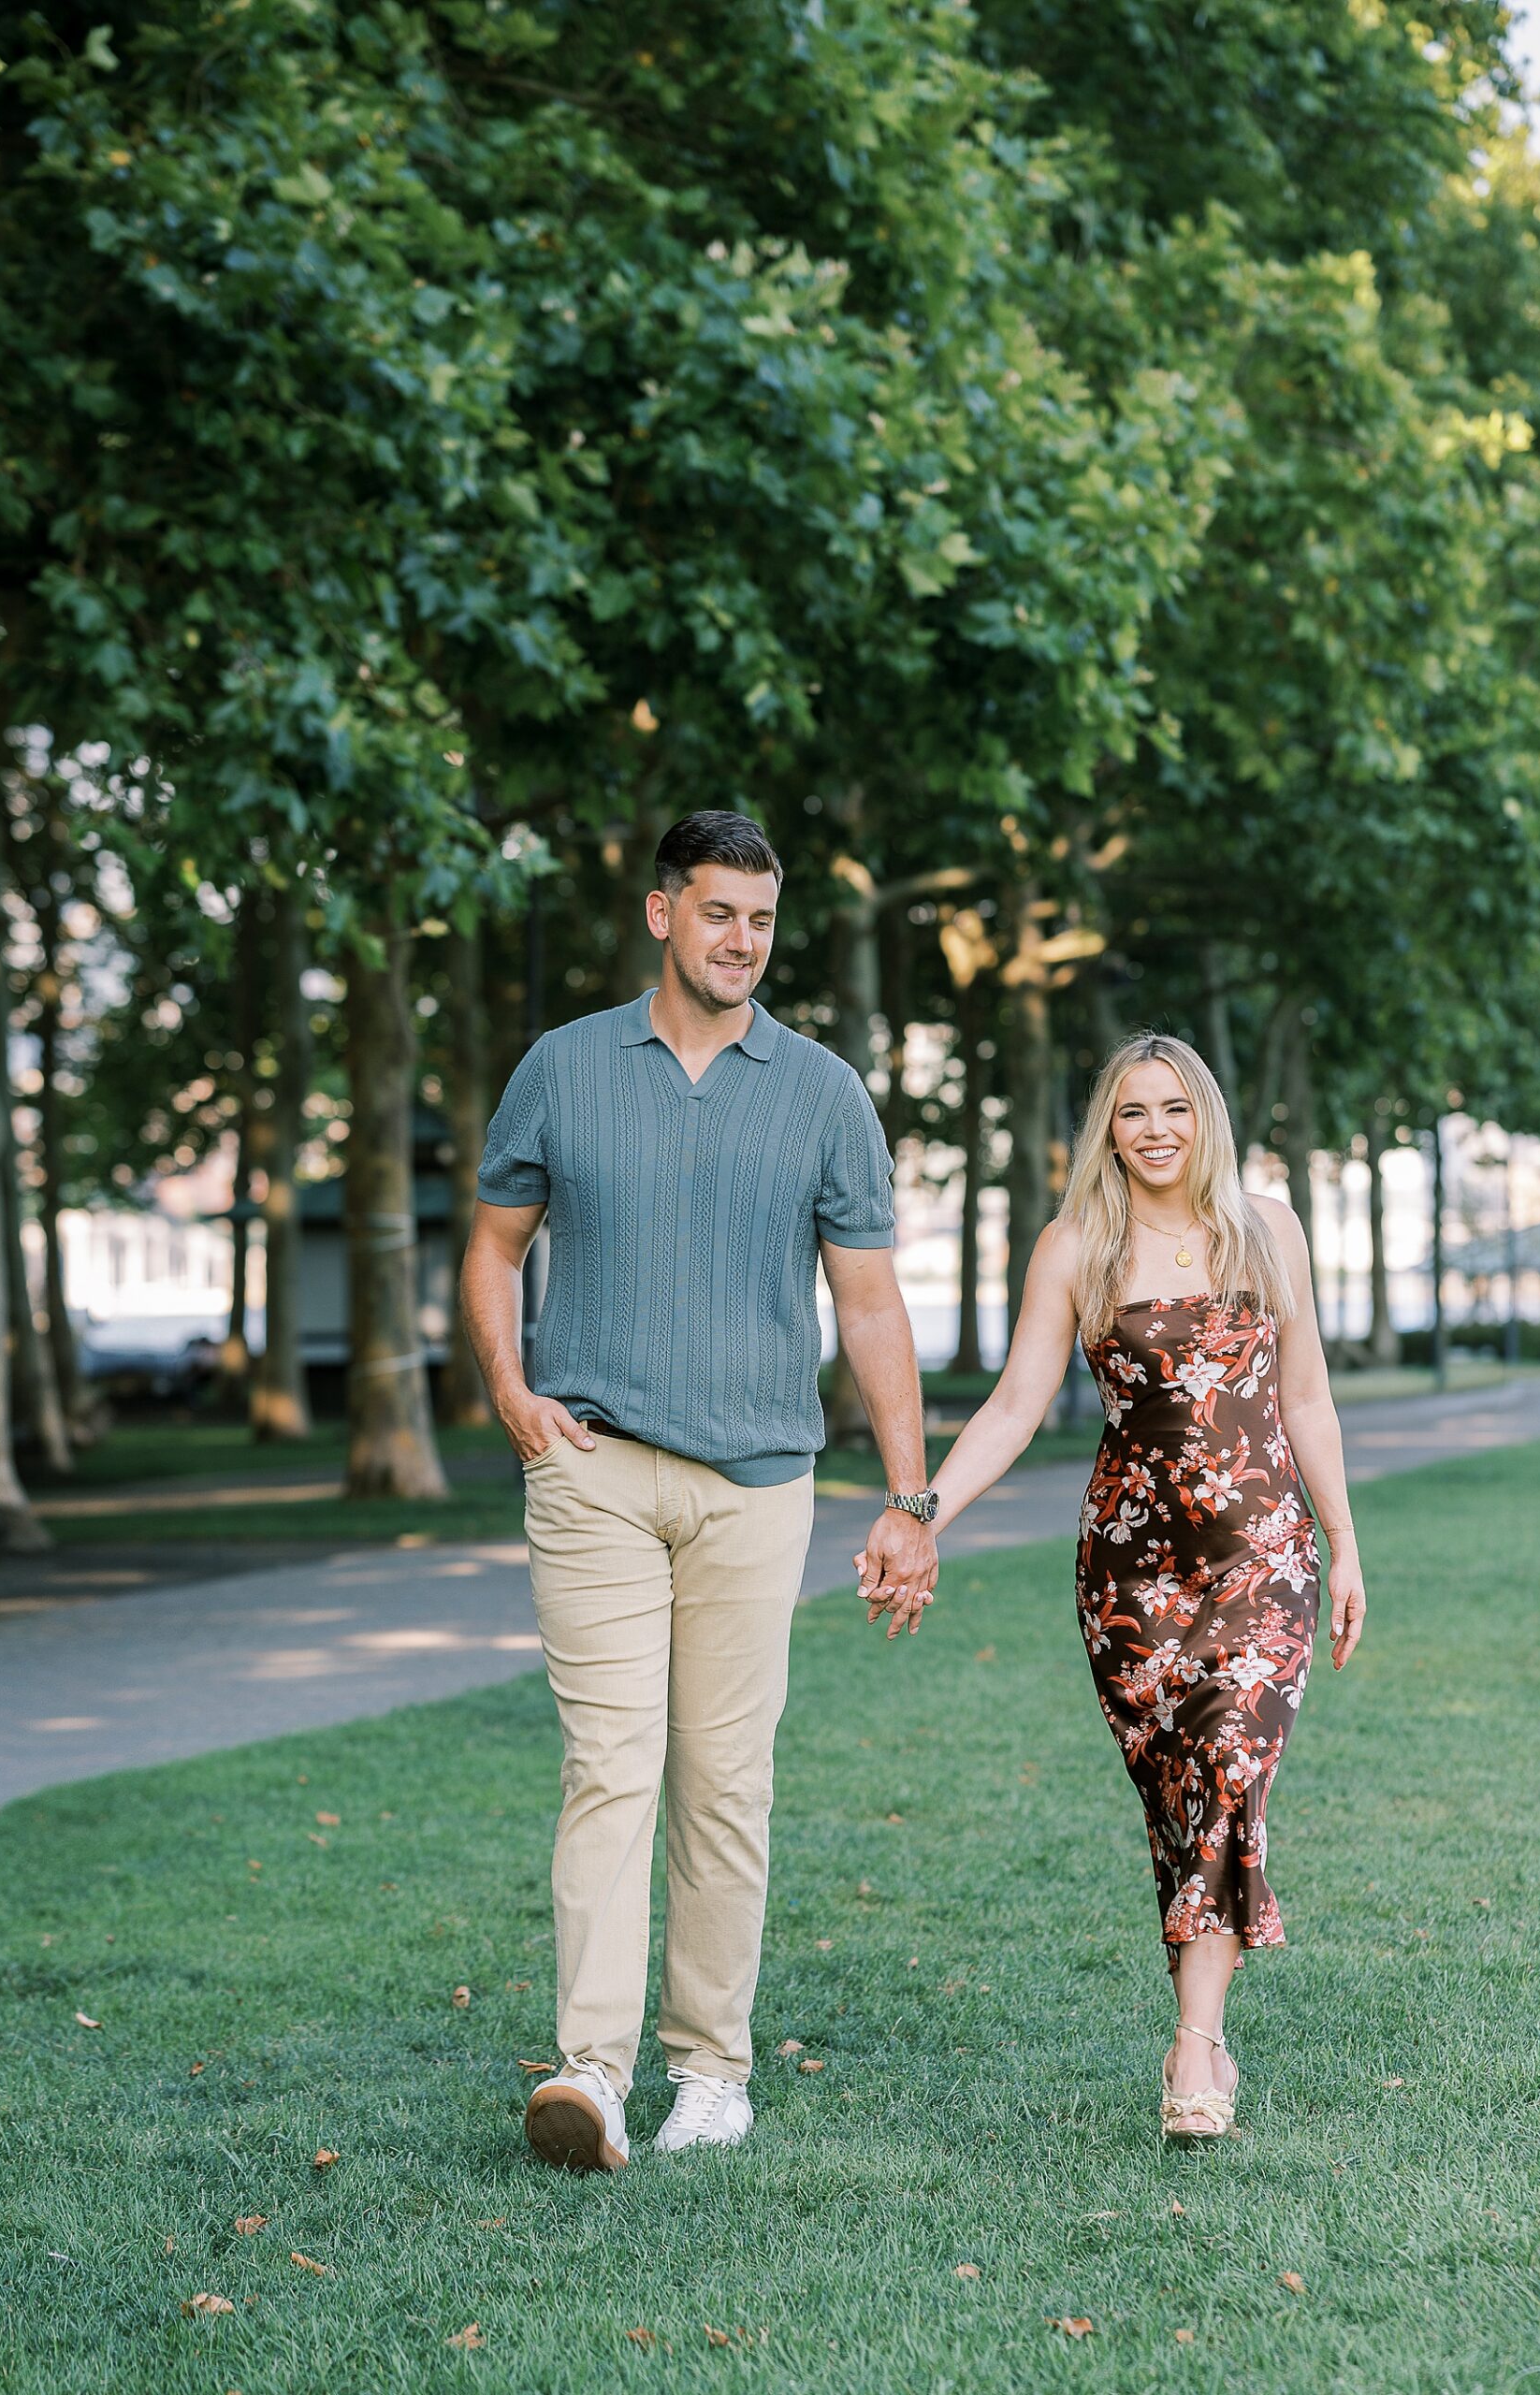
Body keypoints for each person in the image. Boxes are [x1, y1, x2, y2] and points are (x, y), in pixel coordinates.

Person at [461, 809, 940, 2172]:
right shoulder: (559, 1069)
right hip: (594, 1468)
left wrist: (907, 1501)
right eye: (718, 913)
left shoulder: (821, 1092)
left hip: (755, 1484)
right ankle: (591, 2072)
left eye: (761, 921)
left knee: (723, 1781)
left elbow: (868, 1308)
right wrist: (511, 1390)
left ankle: (711, 2073)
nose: (742, 941)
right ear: (663, 913)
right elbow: (493, 1249)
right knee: (608, 1766)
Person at [870, 1032, 1366, 2141]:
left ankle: (1196, 2047)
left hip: (1263, 1556)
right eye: (1133, 1111)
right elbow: (1009, 1407)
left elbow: (1308, 1401)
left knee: (1230, 1765)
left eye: (1175, 1109)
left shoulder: (1268, 1228)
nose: (1154, 1130)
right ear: (1107, 1125)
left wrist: (1341, 1542)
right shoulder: (1075, 1246)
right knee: (1176, 1795)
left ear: (1208, 1119)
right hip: (1130, 1572)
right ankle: (1201, 2030)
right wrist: (917, 1513)